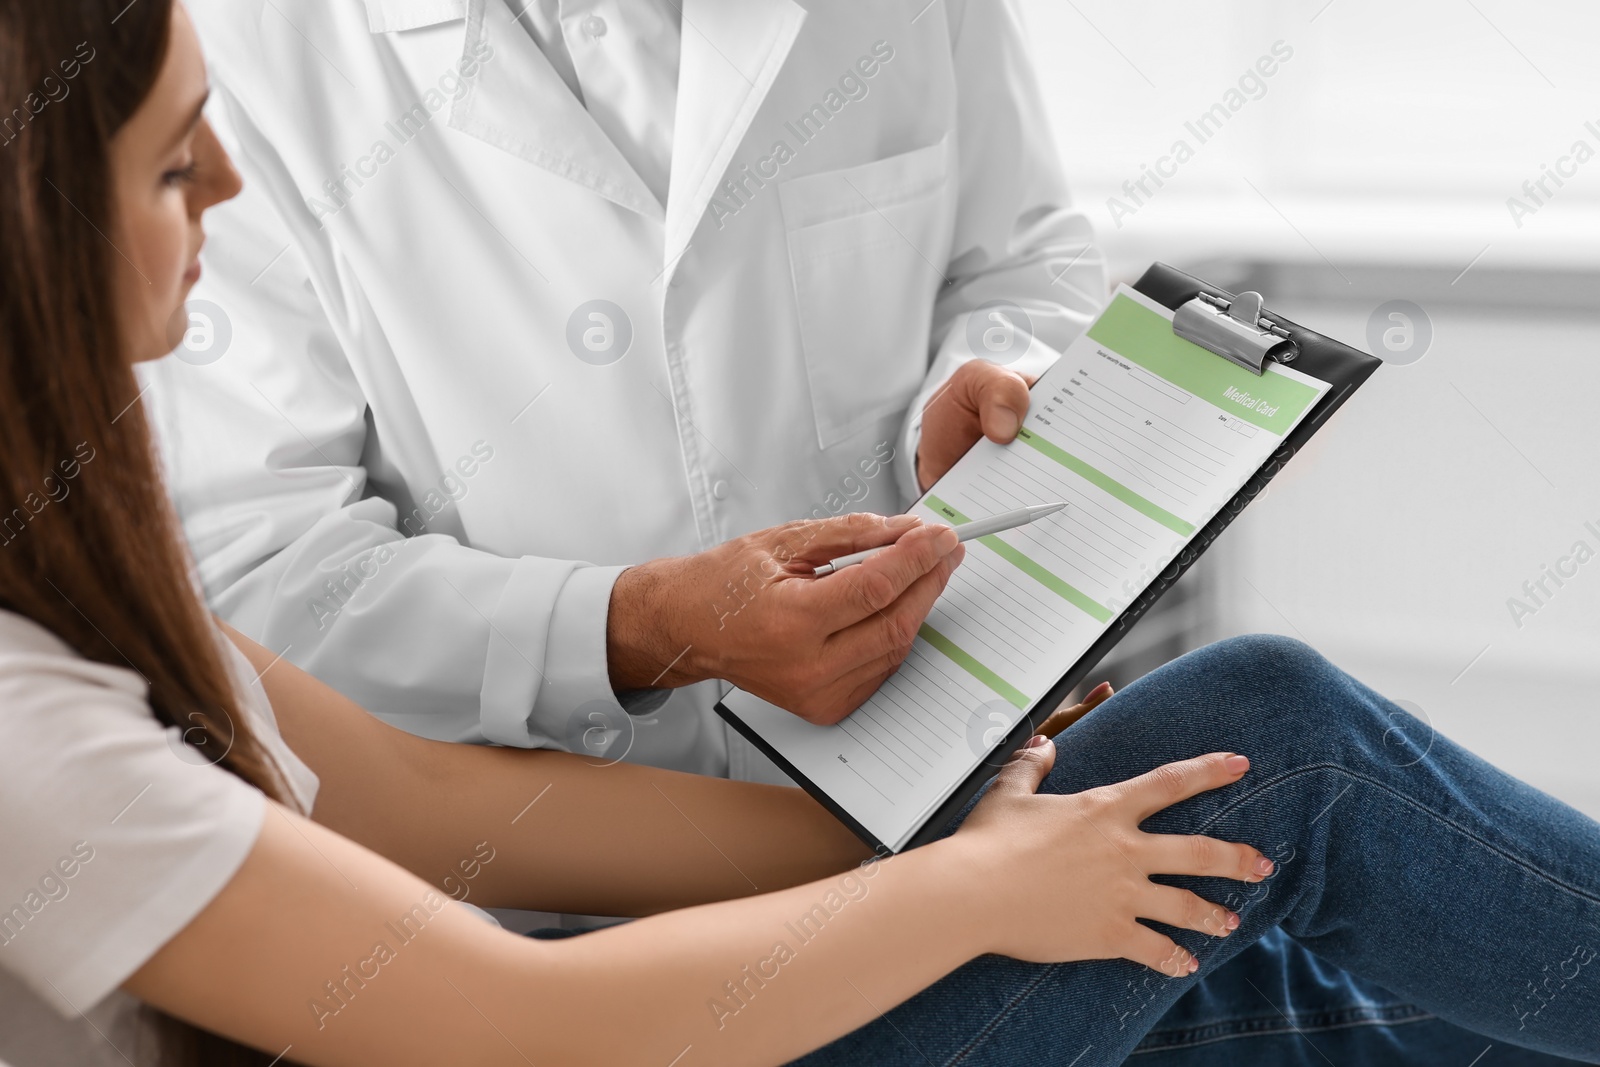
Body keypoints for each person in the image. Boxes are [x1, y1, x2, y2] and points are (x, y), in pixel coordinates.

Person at [4, 5, 1600, 1066]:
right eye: (168, 158)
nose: (216, 174)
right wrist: (961, 886)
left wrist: (964, 826)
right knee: (1276, 751)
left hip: (802, 874)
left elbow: (419, 797)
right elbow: (523, 1014)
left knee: (1273, 954)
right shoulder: (33, 729)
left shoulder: (103, 621)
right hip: (617, 1000)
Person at [137, 0, 1107, 783]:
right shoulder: (237, 52)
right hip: (535, 891)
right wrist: (643, 629)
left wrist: (980, 390)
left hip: (928, 769)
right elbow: (265, 577)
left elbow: (1018, 267)